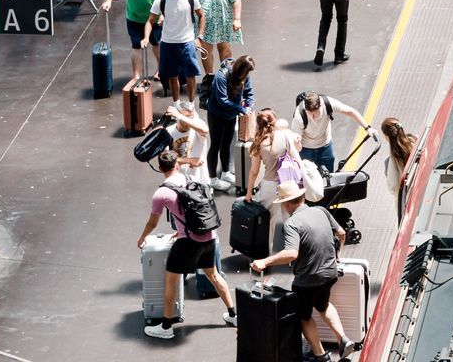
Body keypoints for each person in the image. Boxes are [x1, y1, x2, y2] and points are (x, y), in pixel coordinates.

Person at [250, 180, 357, 362]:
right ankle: (343, 339)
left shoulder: (292, 223)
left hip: (308, 280)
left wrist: (265, 262)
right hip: (330, 273)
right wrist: (337, 255)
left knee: (303, 317)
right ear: (303, 197)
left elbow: (292, 253)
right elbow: (341, 233)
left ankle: (320, 355)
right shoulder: (321, 211)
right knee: (323, 306)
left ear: (287, 203)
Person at [135, 147, 237, 338]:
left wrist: (142, 238)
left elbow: (153, 223)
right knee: (214, 275)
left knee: (171, 280)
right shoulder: (189, 180)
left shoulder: (161, 193)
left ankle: (165, 328)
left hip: (188, 242)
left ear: (159, 167)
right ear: (177, 165)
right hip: (209, 236)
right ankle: (233, 314)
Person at [103, 0, 169, 81]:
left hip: (155, 18)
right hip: (135, 17)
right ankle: (136, 75)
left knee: (157, 44)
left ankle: (160, 69)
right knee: (136, 45)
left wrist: (164, 13)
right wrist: (109, 0)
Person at [200, 54, 255, 192]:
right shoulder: (221, 77)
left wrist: (248, 106)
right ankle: (212, 178)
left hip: (231, 115)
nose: (247, 76)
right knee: (216, 145)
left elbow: (249, 93)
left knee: (226, 143)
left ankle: (225, 173)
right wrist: (241, 108)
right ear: (239, 69)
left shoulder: (245, 75)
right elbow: (222, 100)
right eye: (246, 72)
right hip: (216, 115)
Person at [294, 92, 369, 175]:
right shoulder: (299, 115)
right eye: (310, 114)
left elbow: (350, 112)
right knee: (308, 176)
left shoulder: (327, 103)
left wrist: (368, 128)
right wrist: (297, 145)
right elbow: (296, 141)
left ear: (321, 106)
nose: (313, 118)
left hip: (324, 145)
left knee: (329, 175)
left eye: (315, 114)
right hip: (306, 149)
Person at [381, 118, 418, 214]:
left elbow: (393, 188)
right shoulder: (415, 141)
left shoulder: (390, 162)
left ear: (386, 137)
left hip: (407, 202)